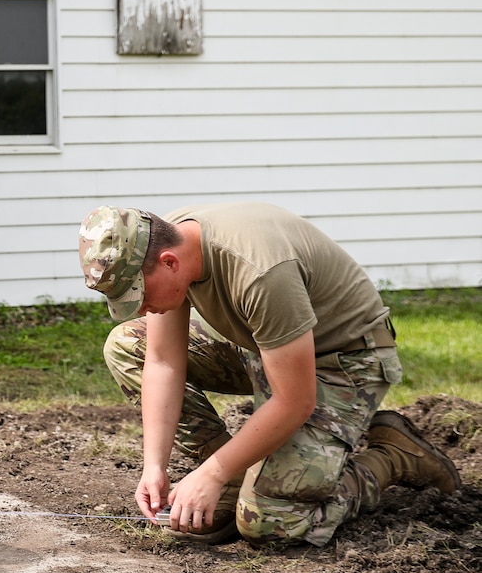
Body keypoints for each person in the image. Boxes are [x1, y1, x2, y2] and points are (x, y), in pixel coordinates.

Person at [78, 203, 459, 546]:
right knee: (128, 346)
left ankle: (393, 457)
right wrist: (154, 466)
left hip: (341, 362)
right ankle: (234, 480)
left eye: (139, 293)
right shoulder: (171, 240)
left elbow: (294, 401)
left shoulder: (260, 271)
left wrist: (208, 473)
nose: (141, 306)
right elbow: (162, 362)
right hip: (265, 348)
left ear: (169, 262)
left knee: (269, 522)